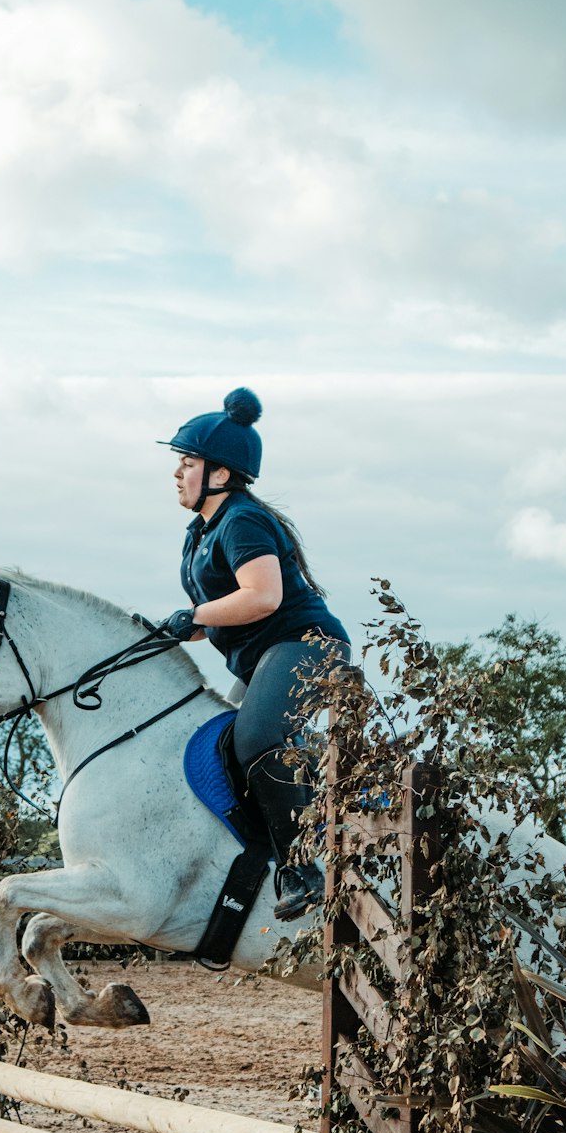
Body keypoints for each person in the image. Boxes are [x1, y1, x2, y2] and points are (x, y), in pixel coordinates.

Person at [156, 388, 350, 921]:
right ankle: (263, 849)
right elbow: (225, 610)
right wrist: (174, 629)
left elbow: (263, 597)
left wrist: (194, 616)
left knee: (258, 737)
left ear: (220, 473)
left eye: (187, 462)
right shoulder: (201, 532)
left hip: (306, 647)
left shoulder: (240, 521)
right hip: (265, 657)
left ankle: (306, 865)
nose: (176, 472)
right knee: (223, 742)